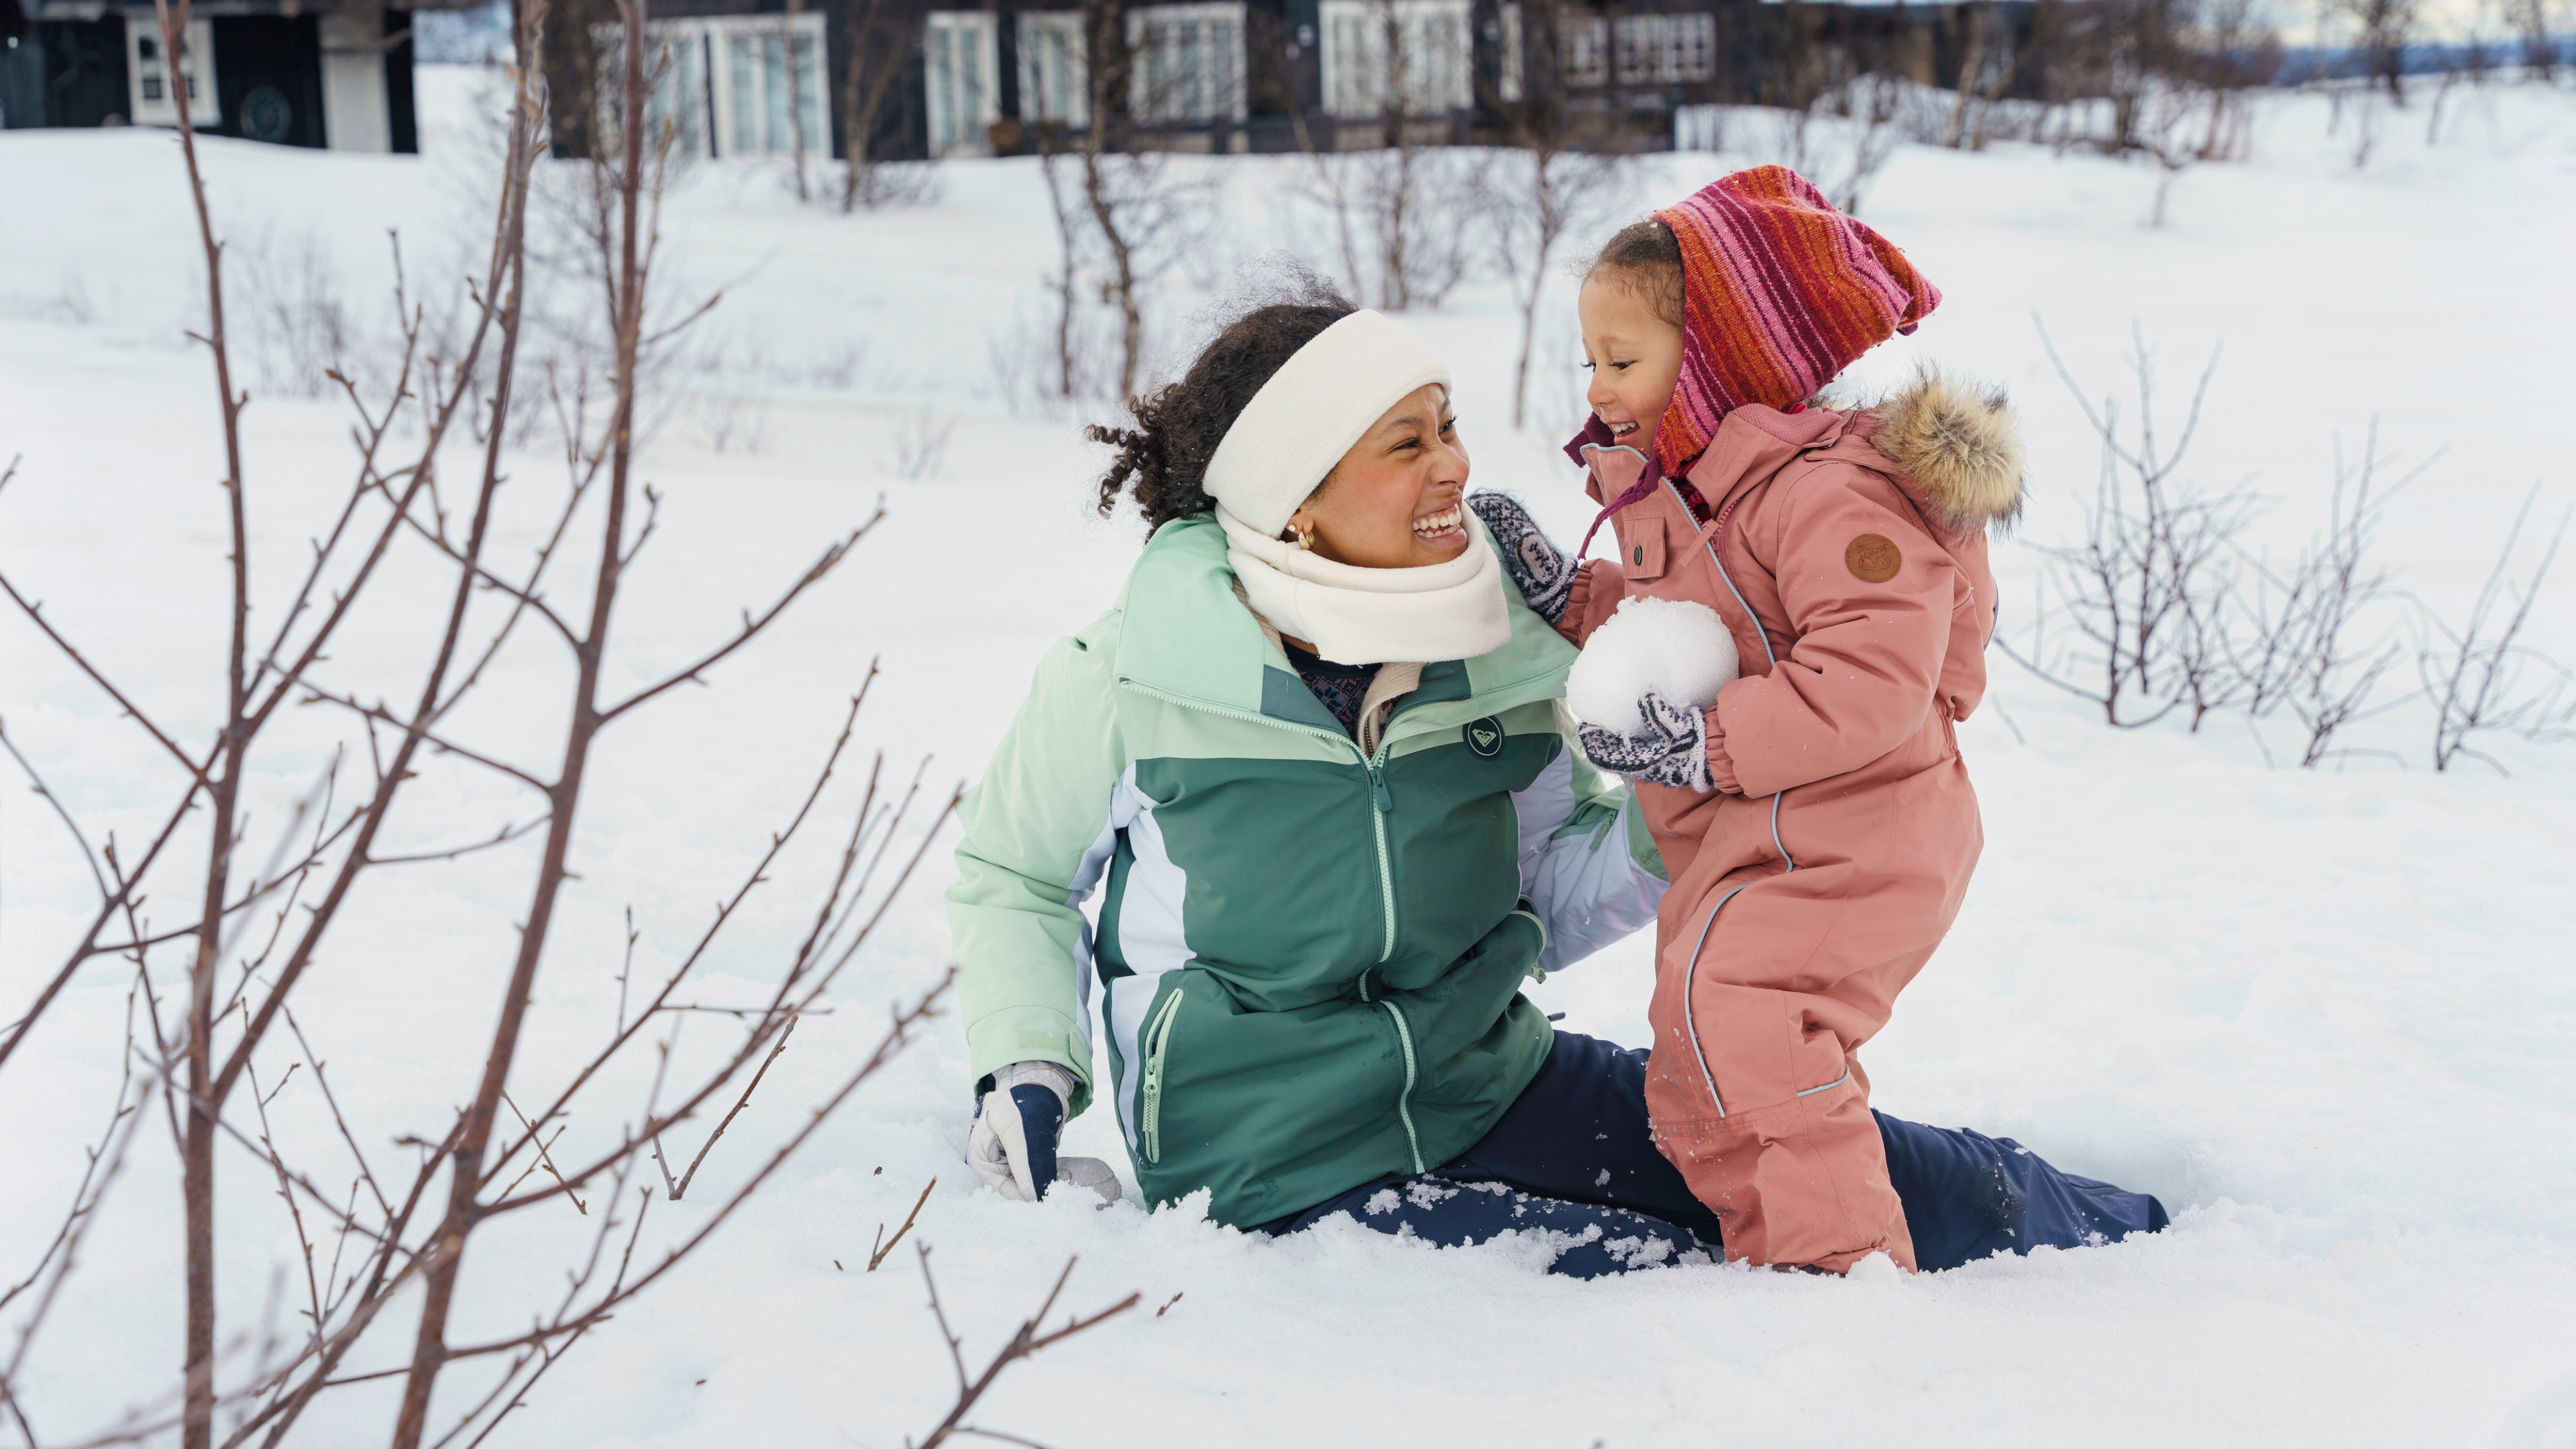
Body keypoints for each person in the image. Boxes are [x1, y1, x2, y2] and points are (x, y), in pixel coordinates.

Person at [946, 280, 2167, 1278]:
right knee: (1699, 1269)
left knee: (1850, 1172)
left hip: (1492, 1082)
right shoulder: (1140, 678)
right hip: (1276, 1163)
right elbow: (1011, 873)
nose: (1454, 467)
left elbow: (1546, 896)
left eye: (1450, 424)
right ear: (1296, 500)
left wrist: (1676, 792)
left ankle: (2143, 1237)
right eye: (1407, 442)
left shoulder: (1495, 650)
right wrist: (1031, 1067)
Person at [1471, 165, 2125, 1273]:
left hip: (1860, 828)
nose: (1600, 389)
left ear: (1726, 360)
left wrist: (1700, 744)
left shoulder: (1831, 493)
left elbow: (1872, 676)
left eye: (1624, 361)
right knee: (1706, 1053)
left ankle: (1839, 1287)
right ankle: (1782, 1262)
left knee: (1749, 1026)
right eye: (1593, 362)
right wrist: (1577, 605)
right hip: (1764, 837)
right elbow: (1697, 627)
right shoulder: (1701, 494)